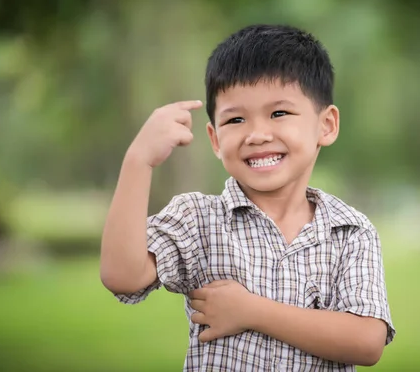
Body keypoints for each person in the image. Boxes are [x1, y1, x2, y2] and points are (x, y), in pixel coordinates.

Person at [100, 24, 395, 371]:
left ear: (326, 125)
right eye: (236, 119)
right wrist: (139, 161)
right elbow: (123, 276)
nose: (257, 134)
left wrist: (252, 311)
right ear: (214, 139)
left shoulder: (349, 232)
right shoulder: (198, 219)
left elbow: (366, 341)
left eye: (279, 113)